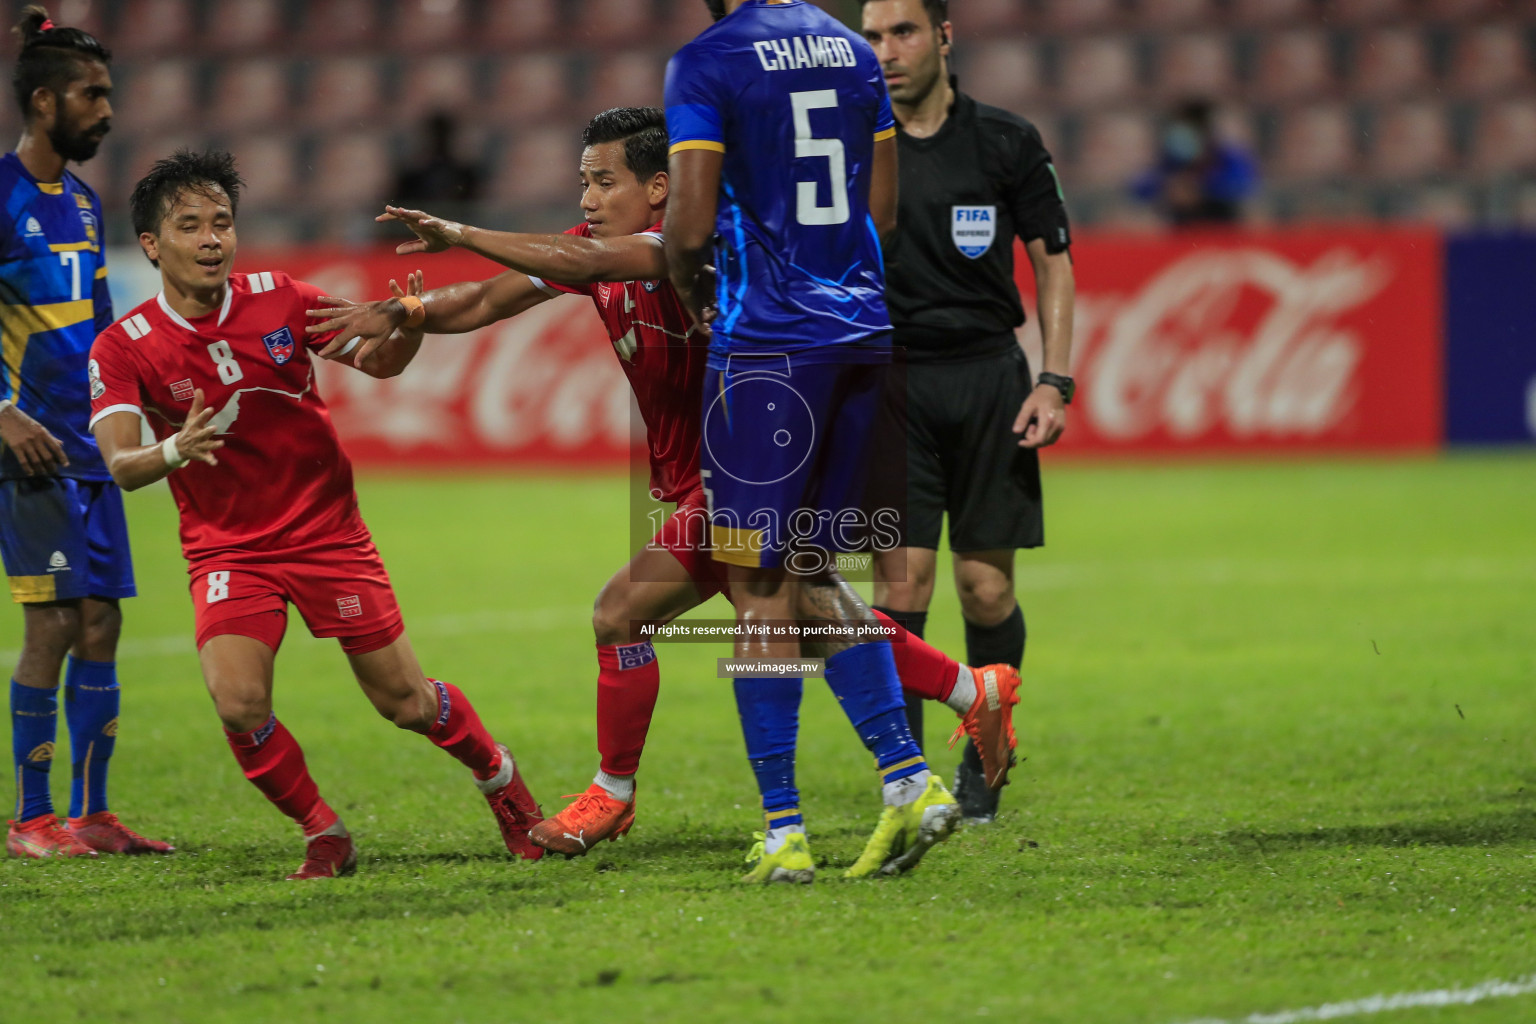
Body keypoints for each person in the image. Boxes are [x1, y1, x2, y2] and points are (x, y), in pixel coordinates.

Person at [306, 106, 1021, 882]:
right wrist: (409, 309)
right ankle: (961, 699)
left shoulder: (696, 240)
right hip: (722, 468)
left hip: (771, 454)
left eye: (602, 181)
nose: (585, 198)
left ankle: (735, 816)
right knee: (807, 611)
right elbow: (481, 302)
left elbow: (592, 268)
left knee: (664, 615)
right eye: (581, 181)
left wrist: (462, 230)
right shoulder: (594, 251)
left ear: (658, 187)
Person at [86, 149, 543, 880]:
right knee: (238, 702)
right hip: (230, 550)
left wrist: (410, 330)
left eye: (223, 224)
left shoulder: (283, 297)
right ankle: (323, 831)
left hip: (325, 534)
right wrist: (175, 447)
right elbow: (121, 465)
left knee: (407, 703)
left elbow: (377, 364)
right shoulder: (123, 348)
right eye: (191, 226)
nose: (211, 240)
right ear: (151, 244)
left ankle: (503, 784)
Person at [665, 0, 964, 880]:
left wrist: (697, 293)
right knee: (810, 571)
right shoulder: (850, 48)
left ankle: (785, 829)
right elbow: (883, 209)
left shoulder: (705, 62)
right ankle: (912, 782)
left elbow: (685, 228)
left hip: (763, 348)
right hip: (864, 339)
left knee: (755, 584)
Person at [861, 0, 1077, 823]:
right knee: (900, 591)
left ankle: (989, 747)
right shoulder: (852, 147)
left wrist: (1054, 380)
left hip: (989, 378)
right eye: (873, 37)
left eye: (903, 32)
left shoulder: (1006, 142)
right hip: (889, 384)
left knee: (985, 592)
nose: (887, 51)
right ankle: (908, 782)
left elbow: (1053, 263)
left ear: (944, 37)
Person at [1, 5, 170, 859]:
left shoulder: (83, 199)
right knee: (53, 626)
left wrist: (135, 405)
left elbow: (103, 329)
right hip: (24, 449)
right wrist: (1, 412)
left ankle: (92, 814)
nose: (107, 111)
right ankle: (30, 821)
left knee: (101, 621)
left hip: (91, 445)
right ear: (42, 103)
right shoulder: (0, 195)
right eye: (91, 95)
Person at [1131, 98, 1258, 227]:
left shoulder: (1226, 157)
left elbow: (1245, 185)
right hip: (1176, 233)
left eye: (1191, 127)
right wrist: (1167, 188)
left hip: (1221, 231)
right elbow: (1139, 187)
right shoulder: (1169, 160)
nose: (1184, 133)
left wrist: (1201, 190)